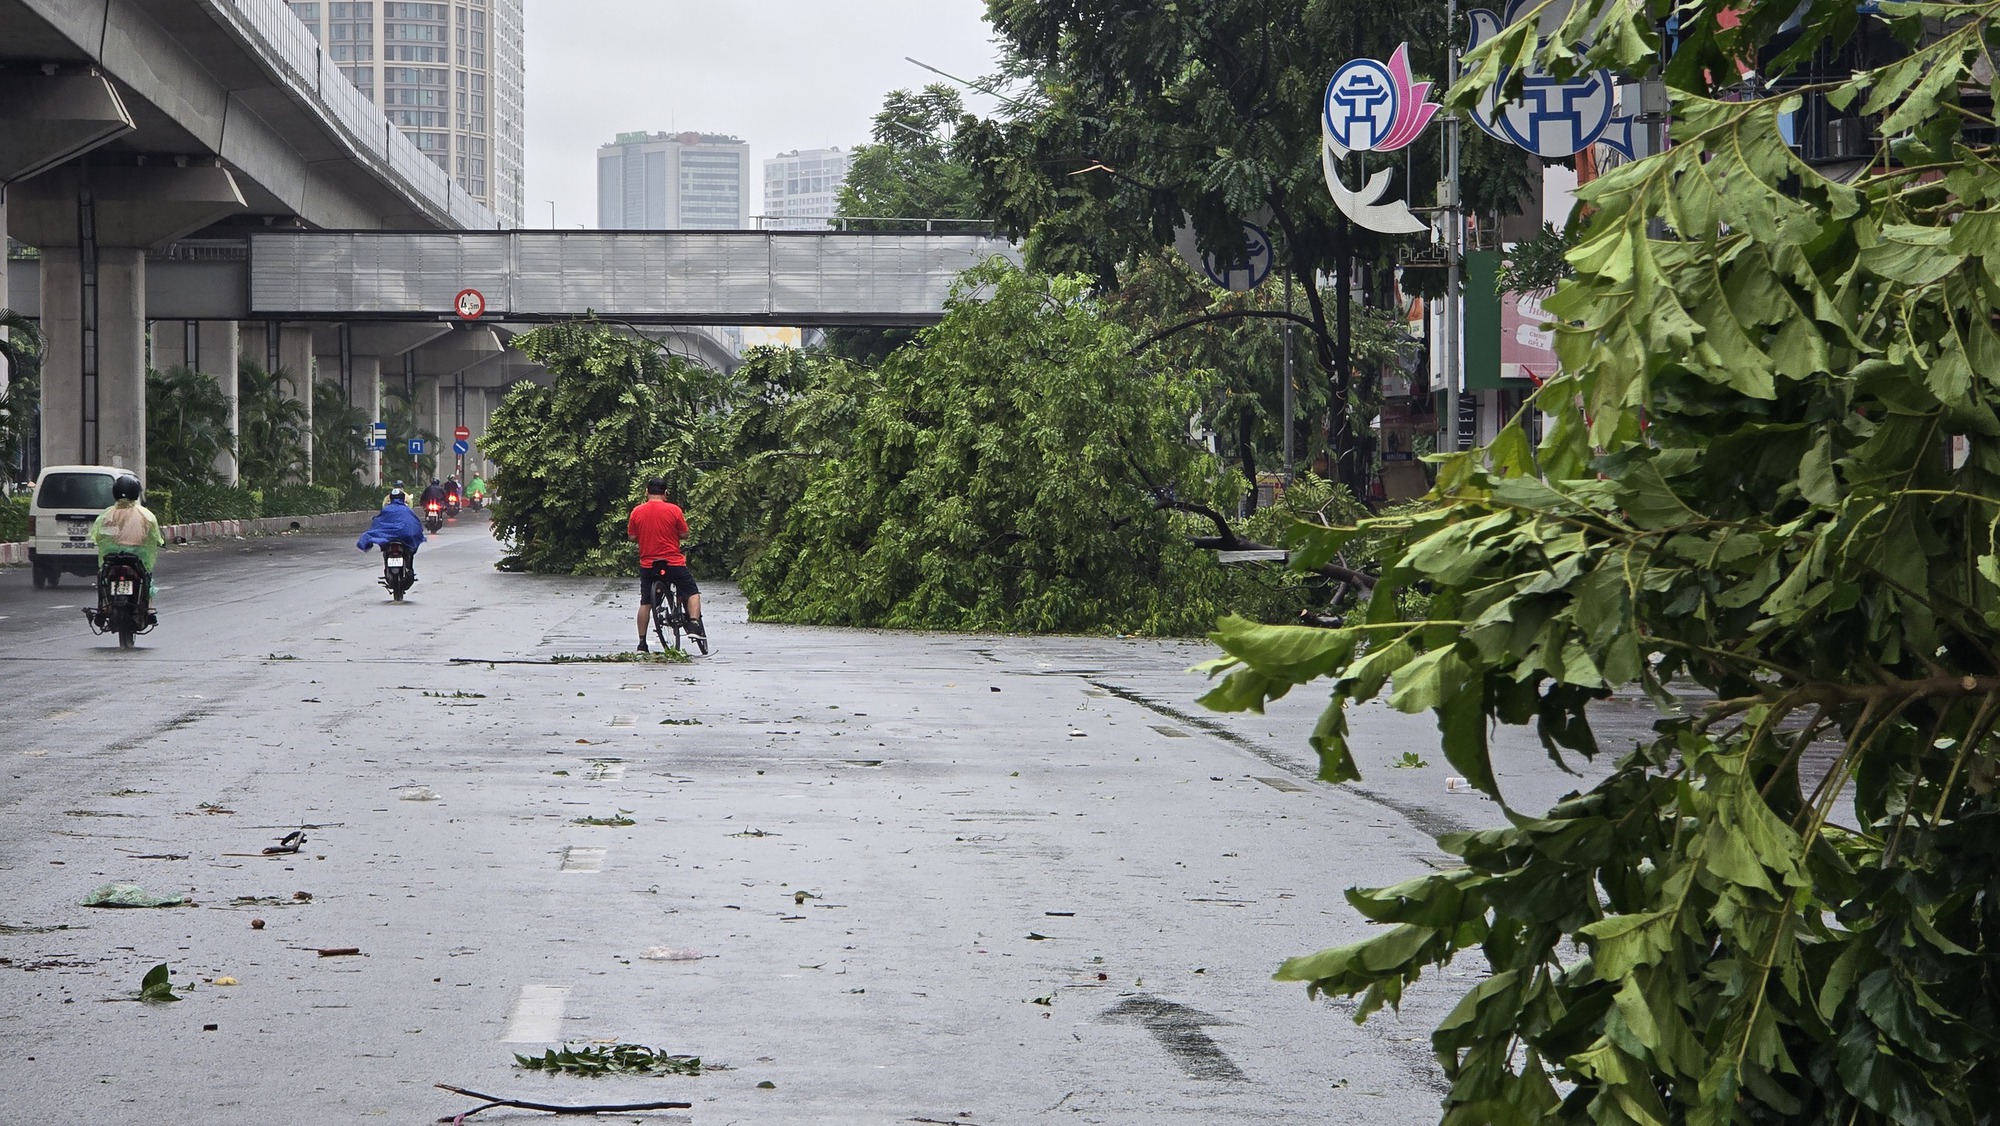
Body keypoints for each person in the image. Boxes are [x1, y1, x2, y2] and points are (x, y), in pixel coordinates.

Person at [626, 477, 702, 652]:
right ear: (665, 493)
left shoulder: (637, 512)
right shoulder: (674, 510)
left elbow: (631, 537)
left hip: (648, 565)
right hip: (673, 562)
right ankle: (694, 625)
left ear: (646, 492)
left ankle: (642, 643)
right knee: (692, 592)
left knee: (646, 603)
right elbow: (684, 534)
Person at [90, 474, 164, 608]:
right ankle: (147, 608)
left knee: (102, 577)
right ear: (135, 493)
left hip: (112, 558)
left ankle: (105, 607)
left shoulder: (107, 515)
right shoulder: (146, 515)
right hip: (137, 559)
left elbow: (99, 536)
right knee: (146, 579)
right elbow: (154, 538)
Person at [356, 487, 427, 581]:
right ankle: (409, 570)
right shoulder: (407, 510)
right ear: (402, 498)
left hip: (389, 538)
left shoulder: (386, 509)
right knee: (411, 550)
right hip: (404, 537)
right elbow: (415, 524)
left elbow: (377, 522)